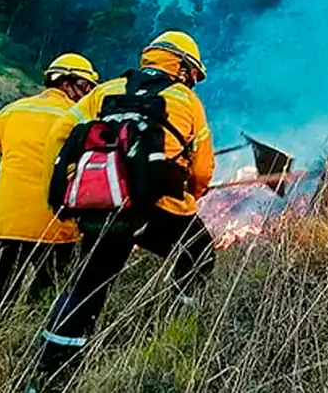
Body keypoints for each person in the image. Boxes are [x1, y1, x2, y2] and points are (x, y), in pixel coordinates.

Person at [28, 31, 217, 391]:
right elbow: (202, 170)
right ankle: (178, 330)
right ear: (181, 67)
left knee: (88, 284)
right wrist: (191, 194)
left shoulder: (106, 90)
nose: (193, 80)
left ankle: (50, 373)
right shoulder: (185, 99)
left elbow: (59, 134)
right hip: (158, 206)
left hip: (103, 202)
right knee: (199, 254)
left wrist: (66, 188)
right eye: (193, 73)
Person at [0, 53, 99, 309]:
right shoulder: (82, 121)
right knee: (44, 306)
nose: (88, 93)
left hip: (1, 225)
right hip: (55, 228)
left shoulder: (13, 111)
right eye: (86, 86)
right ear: (67, 83)